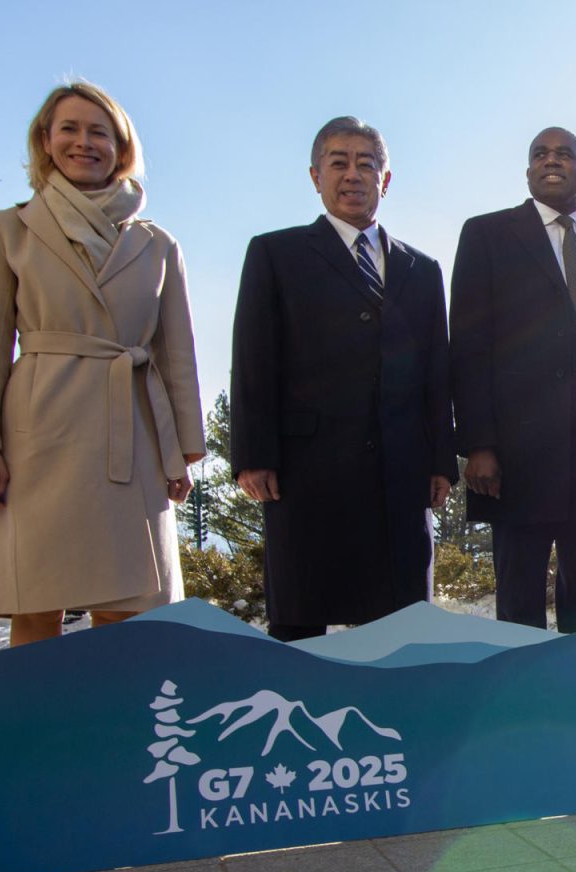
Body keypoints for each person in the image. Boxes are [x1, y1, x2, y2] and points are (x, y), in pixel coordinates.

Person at [0, 81, 205, 648]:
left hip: (135, 433)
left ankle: (113, 730)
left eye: (100, 132)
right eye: (69, 128)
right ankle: (37, 732)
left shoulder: (158, 243)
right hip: (38, 434)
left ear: (122, 148)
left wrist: (183, 450)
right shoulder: (8, 229)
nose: (83, 142)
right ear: (45, 142)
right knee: (37, 607)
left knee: (127, 606)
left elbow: (177, 355)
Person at [230, 116, 456, 642]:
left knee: (400, 630)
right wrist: (253, 453)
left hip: (399, 473)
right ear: (315, 175)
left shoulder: (422, 270)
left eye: (366, 163)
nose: (352, 174)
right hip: (306, 472)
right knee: (300, 624)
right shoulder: (275, 254)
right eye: (339, 162)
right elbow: (253, 360)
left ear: (386, 178)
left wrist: (441, 459)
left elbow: (436, 372)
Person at [450, 127, 576, 632]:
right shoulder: (487, 235)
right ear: (528, 171)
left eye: (564, 154)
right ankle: (523, 705)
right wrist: (478, 444)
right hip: (519, 455)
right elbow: (469, 347)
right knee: (518, 606)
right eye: (539, 154)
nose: (551, 160)